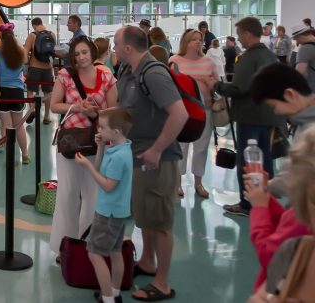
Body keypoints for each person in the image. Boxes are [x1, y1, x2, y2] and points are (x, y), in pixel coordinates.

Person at [114, 25, 189, 302]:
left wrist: (157, 149)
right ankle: (147, 262)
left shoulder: (153, 73)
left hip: (158, 159)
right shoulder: (129, 72)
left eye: (116, 44)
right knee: (145, 215)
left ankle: (162, 283)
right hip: (137, 157)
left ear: (128, 48)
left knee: (160, 222)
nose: (114, 49)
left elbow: (178, 114)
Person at [247, 64, 315, 290]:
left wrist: (260, 200)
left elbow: (296, 177)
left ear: (290, 95)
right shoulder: (303, 124)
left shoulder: (309, 132)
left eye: (273, 105)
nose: (276, 112)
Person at [209, 17, 286, 217]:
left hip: (250, 117)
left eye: (240, 34)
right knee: (265, 161)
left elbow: (239, 88)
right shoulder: (271, 56)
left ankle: (247, 204)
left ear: (247, 33)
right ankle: (265, 201)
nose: (239, 38)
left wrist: (216, 86)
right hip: (269, 117)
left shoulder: (248, 58)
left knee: (248, 162)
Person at [49, 37, 118, 256]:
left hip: (98, 141)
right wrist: (77, 107)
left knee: (93, 194)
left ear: (93, 52)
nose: (81, 57)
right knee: (67, 193)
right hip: (71, 140)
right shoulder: (65, 75)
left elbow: (114, 109)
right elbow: (54, 105)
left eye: (85, 52)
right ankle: (65, 246)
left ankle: (89, 245)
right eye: (77, 54)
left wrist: (95, 112)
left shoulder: (106, 75)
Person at [74, 108, 134, 303]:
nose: (99, 128)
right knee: (115, 252)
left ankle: (107, 297)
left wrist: (88, 166)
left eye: (102, 126)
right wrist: (100, 147)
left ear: (116, 132)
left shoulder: (118, 157)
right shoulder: (120, 148)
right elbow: (102, 169)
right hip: (118, 211)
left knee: (94, 253)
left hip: (108, 213)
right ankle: (114, 292)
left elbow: (108, 185)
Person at [249, 128, 315, 303]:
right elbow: (289, 220)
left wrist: (260, 207)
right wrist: (265, 200)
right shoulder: (294, 250)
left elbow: (267, 252)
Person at [169, 30, 219, 199]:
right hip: (182, 112)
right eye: (194, 40)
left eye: (200, 39)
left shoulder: (209, 62)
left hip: (204, 110)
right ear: (186, 42)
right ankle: (178, 183)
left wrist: (211, 84)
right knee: (181, 147)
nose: (198, 42)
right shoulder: (174, 61)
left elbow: (217, 84)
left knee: (201, 147)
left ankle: (198, 182)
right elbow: (169, 85)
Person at [0, 24, 29, 163]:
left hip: (2, 91)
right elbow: (24, 70)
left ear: (0, 38)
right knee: (19, 125)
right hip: (18, 91)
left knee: (6, 125)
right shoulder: (21, 51)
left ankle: (10, 158)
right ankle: (25, 154)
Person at [23, 17, 56, 124]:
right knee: (48, 92)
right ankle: (46, 117)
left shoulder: (33, 35)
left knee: (30, 90)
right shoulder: (52, 34)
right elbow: (53, 51)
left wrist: (26, 62)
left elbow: (25, 51)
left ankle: (32, 110)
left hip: (34, 67)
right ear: (42, 23)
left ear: (33, 25)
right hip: (48, 68)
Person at [292, 23, 315, 92]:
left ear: (300, 35)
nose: (297, 42)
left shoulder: (305, 48)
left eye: (296, 39)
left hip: (311, 90)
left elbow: (299, 72)